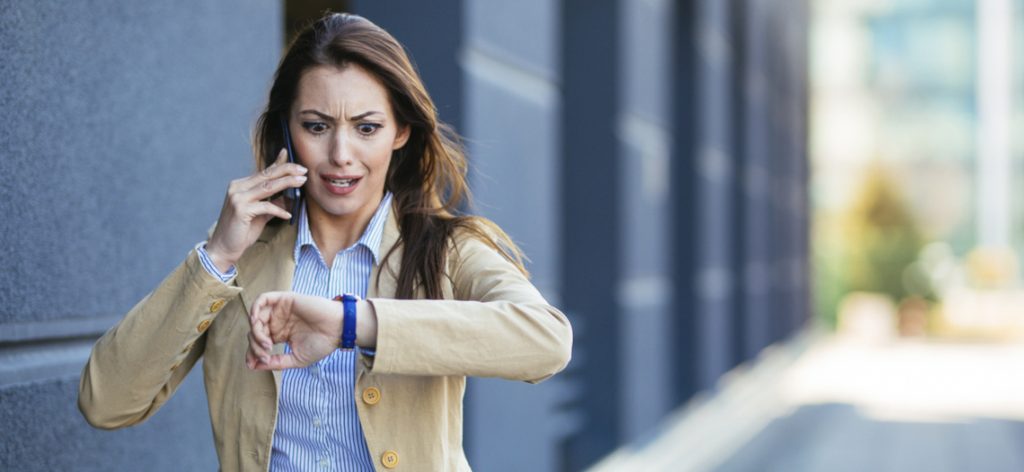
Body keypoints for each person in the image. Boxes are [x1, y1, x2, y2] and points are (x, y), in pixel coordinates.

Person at [78, 12, 572, 472]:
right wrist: (218, 257)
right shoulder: (239, 258)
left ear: (401, 131)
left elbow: (546, 341)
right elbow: (107, 402)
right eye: (316, 127)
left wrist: (351, 323)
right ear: (287, 132)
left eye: (366, 128)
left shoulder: (446, 249)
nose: (340, 155)